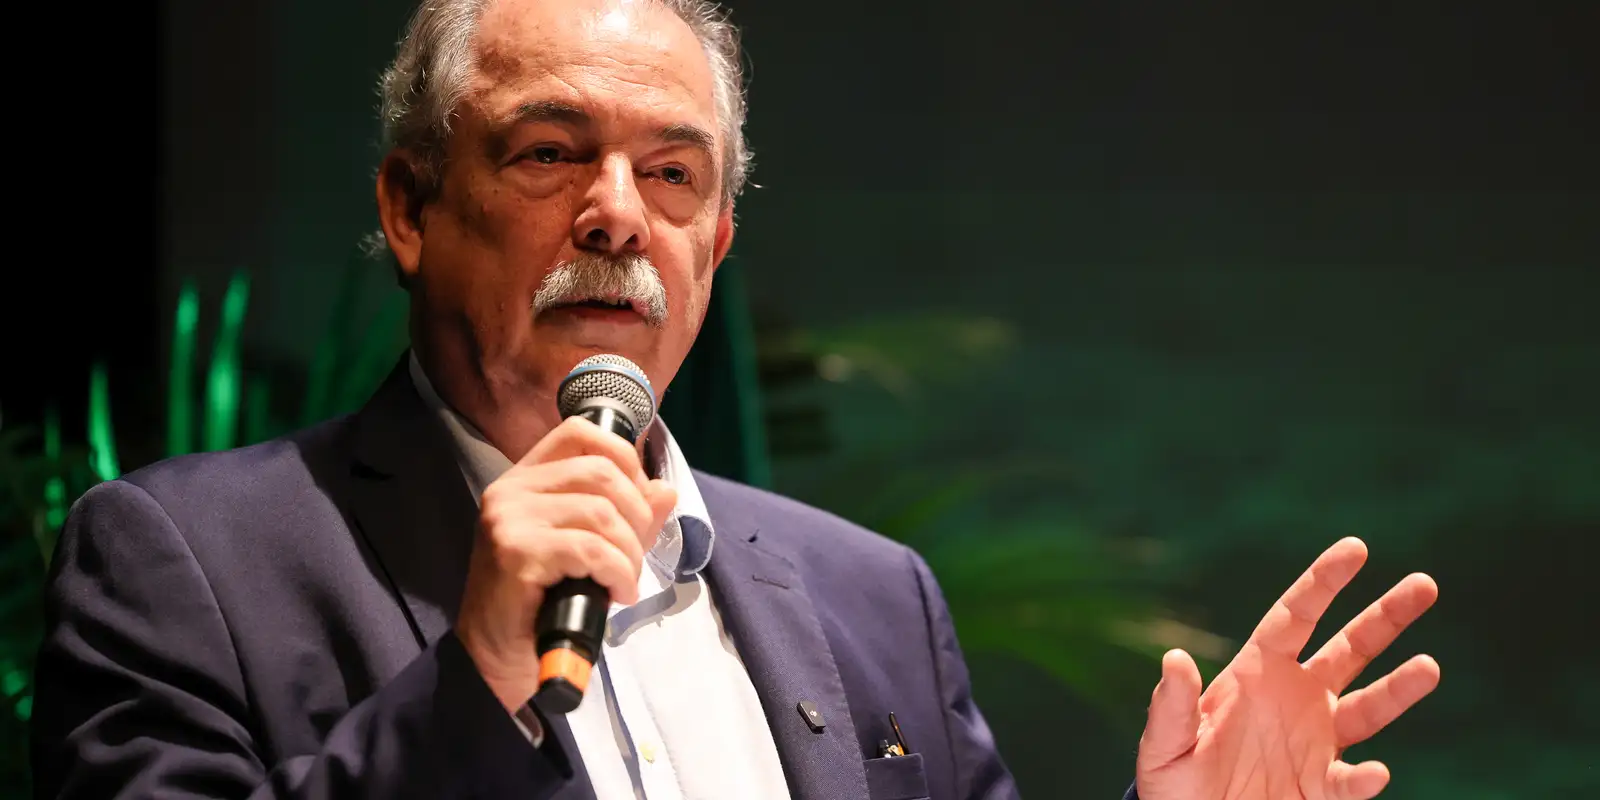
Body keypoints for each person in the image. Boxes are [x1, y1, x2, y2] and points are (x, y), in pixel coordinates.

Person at [30, 0, 1441, 798]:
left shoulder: (874, 598)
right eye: (548, 153)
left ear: (714, 244)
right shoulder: (187, 563)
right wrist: (481, 683)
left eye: (672, 174)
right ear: (410, 209)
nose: (616, 215)